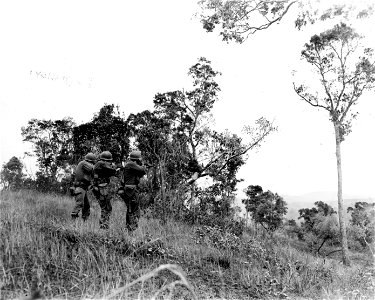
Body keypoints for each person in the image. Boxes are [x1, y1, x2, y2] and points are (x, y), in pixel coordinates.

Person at [118, 150, 147, 232]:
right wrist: (143, 165)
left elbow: (141, 174)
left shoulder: (131, 165)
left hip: (130, 190)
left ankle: (129, 228)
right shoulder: (131, 164)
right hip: (130, 190)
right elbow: (143, 170)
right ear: (137, 158)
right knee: (133, 210)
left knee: (131, 209)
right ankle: (131, 229)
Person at [92, 151, 117, 229]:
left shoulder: (100, 165)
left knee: (107, 207)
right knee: (106, 208)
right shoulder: (101, 163)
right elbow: (113, 169)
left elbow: (112, 173)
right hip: (102, 188)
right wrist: (114, 166)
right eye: (109, 161)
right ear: (106, 160)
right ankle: (103, 226)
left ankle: (105, 225)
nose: (110, 162)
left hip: (101, 187)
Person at [71, 153, 96, 220]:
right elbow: (93, 169)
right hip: (80, 187)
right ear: (90, 161)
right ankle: (72, 221)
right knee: (80, 204)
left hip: (83, 188)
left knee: (86, 207)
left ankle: (84, 222)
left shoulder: (85, 166)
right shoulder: (83, 163)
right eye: (92, 162)